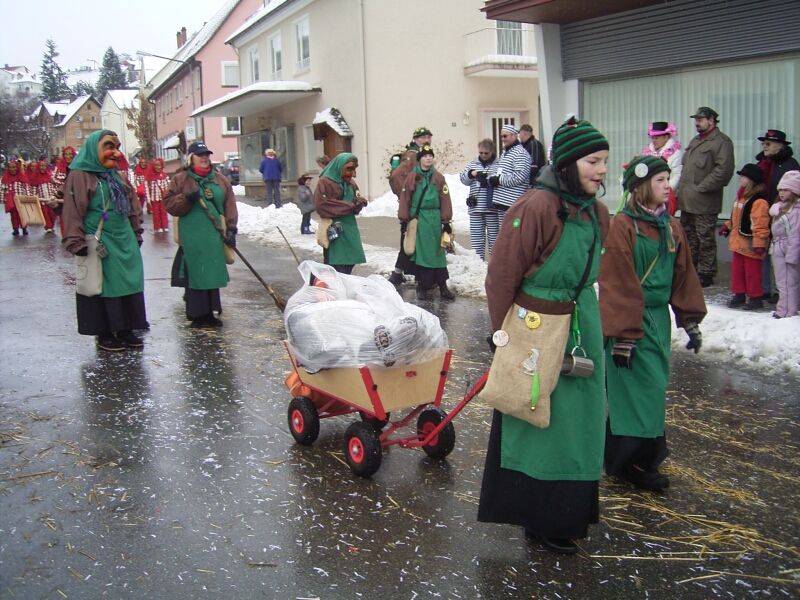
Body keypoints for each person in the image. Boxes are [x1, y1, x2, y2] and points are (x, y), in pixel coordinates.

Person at [477, 117, 610, 555]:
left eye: (604, 161)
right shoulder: (535, 206)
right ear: (569, 163)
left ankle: (567, 512)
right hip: (535, 326)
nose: (601, 170)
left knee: (578, 421)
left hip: (581, 322)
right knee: (534, 413)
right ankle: (537, 515)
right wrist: (501, 335)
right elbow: (502, 275)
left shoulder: (597, 212)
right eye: (593, 161)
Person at [599, 155, 706, 492]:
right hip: (629, 322)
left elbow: (683, 275)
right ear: (641, 186)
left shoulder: (671, 226)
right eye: (660, 180)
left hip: (657, 320)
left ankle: (635, 459)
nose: (667, 186)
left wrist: (690, 320)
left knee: (654, 390)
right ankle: (632, 462)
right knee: (635, 393)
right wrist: (623, 334)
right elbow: (617, 282)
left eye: (668, 179)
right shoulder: (623, 226)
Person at [59, 129, 147, 351]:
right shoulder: (80, 175)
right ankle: (105, 333)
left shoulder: (117, 175)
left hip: (124, 238)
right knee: (104, 285)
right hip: (101, 239)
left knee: (129, 281)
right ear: (93, 149)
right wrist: (75, 241)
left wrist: (136, 232)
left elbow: (132, 205)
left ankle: (126, 328)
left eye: (117, 148)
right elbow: (73, 210)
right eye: (108, 147)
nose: (115, 153)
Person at [163, 141, 238, 329]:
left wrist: (231, 228)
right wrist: (186, 198)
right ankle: (197, 314)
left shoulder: (220, 179)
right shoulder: (180, 179)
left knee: (212, 272)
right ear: (191, 158)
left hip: (214, 235)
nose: (204, 158)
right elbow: (169, 204)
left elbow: (230, 204)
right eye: (200, 155)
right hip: (192, 236)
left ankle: (211, 312)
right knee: (196, 272)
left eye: (206, 154)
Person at [676, 107, 735, 288]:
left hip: (705, 202)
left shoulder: (721, 142)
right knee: (689, 238)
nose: (697, 123)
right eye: (696, 120)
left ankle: (706, 273)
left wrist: (701, 188)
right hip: (687, 200)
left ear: (711, 120)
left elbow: (724, 171)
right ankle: (691, 270)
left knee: (705, 239)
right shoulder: (696, 140)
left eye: (700, 120)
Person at [398, 145, 455, 300]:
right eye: (425, 156)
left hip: (435, 218)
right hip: (420, 218)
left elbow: (445, 199)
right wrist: (404, 220)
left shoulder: (438, 178)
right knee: (423, 253)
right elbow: (405, 199)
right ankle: (422, 286)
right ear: (420, 160)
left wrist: (446, 221)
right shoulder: (412, 177)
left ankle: (443, 286)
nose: (428, 158)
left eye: (430, 156)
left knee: (438, 253)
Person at [755, 130, 800, 303]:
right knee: (763, 252)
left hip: (783, 215)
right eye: (763, 143)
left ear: (780, 146)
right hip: (763, 213)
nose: (765, 146)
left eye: (768, 143)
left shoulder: (790, 165)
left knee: (781, 254)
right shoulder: (762, 164)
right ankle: (765, 289)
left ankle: (781, 292)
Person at [718, 164, 769, 310]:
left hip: (750, 244)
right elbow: (736, 218)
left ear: (752, 179)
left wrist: (759, 244)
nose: (740, 178)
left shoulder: (758, 201)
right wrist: (727, 226)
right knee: (737, 271)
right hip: (738, 242)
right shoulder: (741, 198)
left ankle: (755, 297)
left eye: (743, 176)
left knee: (752, 273)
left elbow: (760, 225)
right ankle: (739, 294)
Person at [389, 127, 432, 286]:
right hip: (414, 207)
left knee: (413, 239)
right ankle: (398, 274)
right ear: (415, 139)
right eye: (422, 137)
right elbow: (396, 176)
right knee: (409, 238)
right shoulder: (412, 155)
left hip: (418, 206)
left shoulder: (420, 155)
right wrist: (406, 196)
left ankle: (403, 273)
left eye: (428, 137)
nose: (426, 140)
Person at [313, 152, 367, 275]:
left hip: (349, 227)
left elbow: (355, 199)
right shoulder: (325, 182)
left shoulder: (351, 183)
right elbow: (322, 205)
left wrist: (359, 203)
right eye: (349, 169)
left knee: (350, 260)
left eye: (354, 169)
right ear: (339, 166)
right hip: (333, 229)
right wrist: (350, 205)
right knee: (336, 265)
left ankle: (344, 283)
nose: (353, 174)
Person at [460, 138, 499, 260]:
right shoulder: (473, 164)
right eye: (481, 152)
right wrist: (472, 174)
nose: (483, 155)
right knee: (477, 241)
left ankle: (494, 264)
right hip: (476, 208)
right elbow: (463, 179)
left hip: (492, 209)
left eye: (486, 153)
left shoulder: (499, 164)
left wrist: (490, 180)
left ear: (492, 151)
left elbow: (502, 180)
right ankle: (478, 263)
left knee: (494, 240)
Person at [769, 171, 800, 319]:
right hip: (778, 247)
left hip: (787, 248)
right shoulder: (781, 208)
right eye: (780, 189)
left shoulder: (796, 211)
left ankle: (787, 311)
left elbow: (795, 234)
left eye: (786, 189)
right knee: (782, 281)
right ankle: (784, 308)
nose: (782, 193)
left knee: (788, 282)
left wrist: (792, 255)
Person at [483, 124, 531, 212]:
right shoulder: (506, 153)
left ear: (514, 136)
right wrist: (491, 178)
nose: (503, 139)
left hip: (513, 204)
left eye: (505, 136)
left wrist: (498, 179)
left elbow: (519, 177)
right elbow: (502, 173)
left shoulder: (520, 153)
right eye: (501, 136)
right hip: (502, 203)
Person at [641, 122, 683, 215]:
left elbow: (677, 176)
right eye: (652, 138)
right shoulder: (648, 153)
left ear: (666, 137)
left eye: (657, 138)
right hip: (649, 196)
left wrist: (663, 190)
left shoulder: (676, 154)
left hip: (666, 196)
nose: (654, 141)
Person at [53, 147, 75, 236]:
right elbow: (54, 178)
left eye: (70, 154)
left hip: (75, 195)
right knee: (63, 216)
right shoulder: (59, 166)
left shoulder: (78, 165)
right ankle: (65, 236)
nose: (68, 156)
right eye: (66, 154)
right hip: (63, 195)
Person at [1, 160, 28, 235]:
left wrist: (27, 197)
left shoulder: (21, 177)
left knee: (22, 214)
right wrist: (3, 200)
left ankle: (24, 228)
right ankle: (15, 228)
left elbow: (26, 188)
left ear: (17, 168)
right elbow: (3, 189)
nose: (12, 169)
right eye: (10, 167)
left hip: (21, 199)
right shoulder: (5, 178)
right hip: (11, 200)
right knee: (14, 215)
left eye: (14, 167)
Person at [32, 161, 58, 233]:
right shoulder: (35, 177)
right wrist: (34, 197)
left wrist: (55, 194)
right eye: (41, 166)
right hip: (42, 200)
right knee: (45, 214)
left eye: (44, 166)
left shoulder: (50, 176)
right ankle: (48, 227)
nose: (43, 168)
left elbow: (54, 186)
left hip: (51, 198)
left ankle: (52, 226)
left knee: (52, 214)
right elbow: (34, 189)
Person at [145, 158, 170, 233]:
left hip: (163, 197)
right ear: (153, 166)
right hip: (154, 197)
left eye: (159, 165)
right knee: (156, 213)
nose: (158, 167)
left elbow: (168, 186)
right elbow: (146, 188)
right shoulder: (149, 176)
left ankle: (165, 226)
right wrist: (148, 199)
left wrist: (168, 196)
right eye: (156, 165)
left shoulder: (164, 175)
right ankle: (157, 227)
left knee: (164, 212)